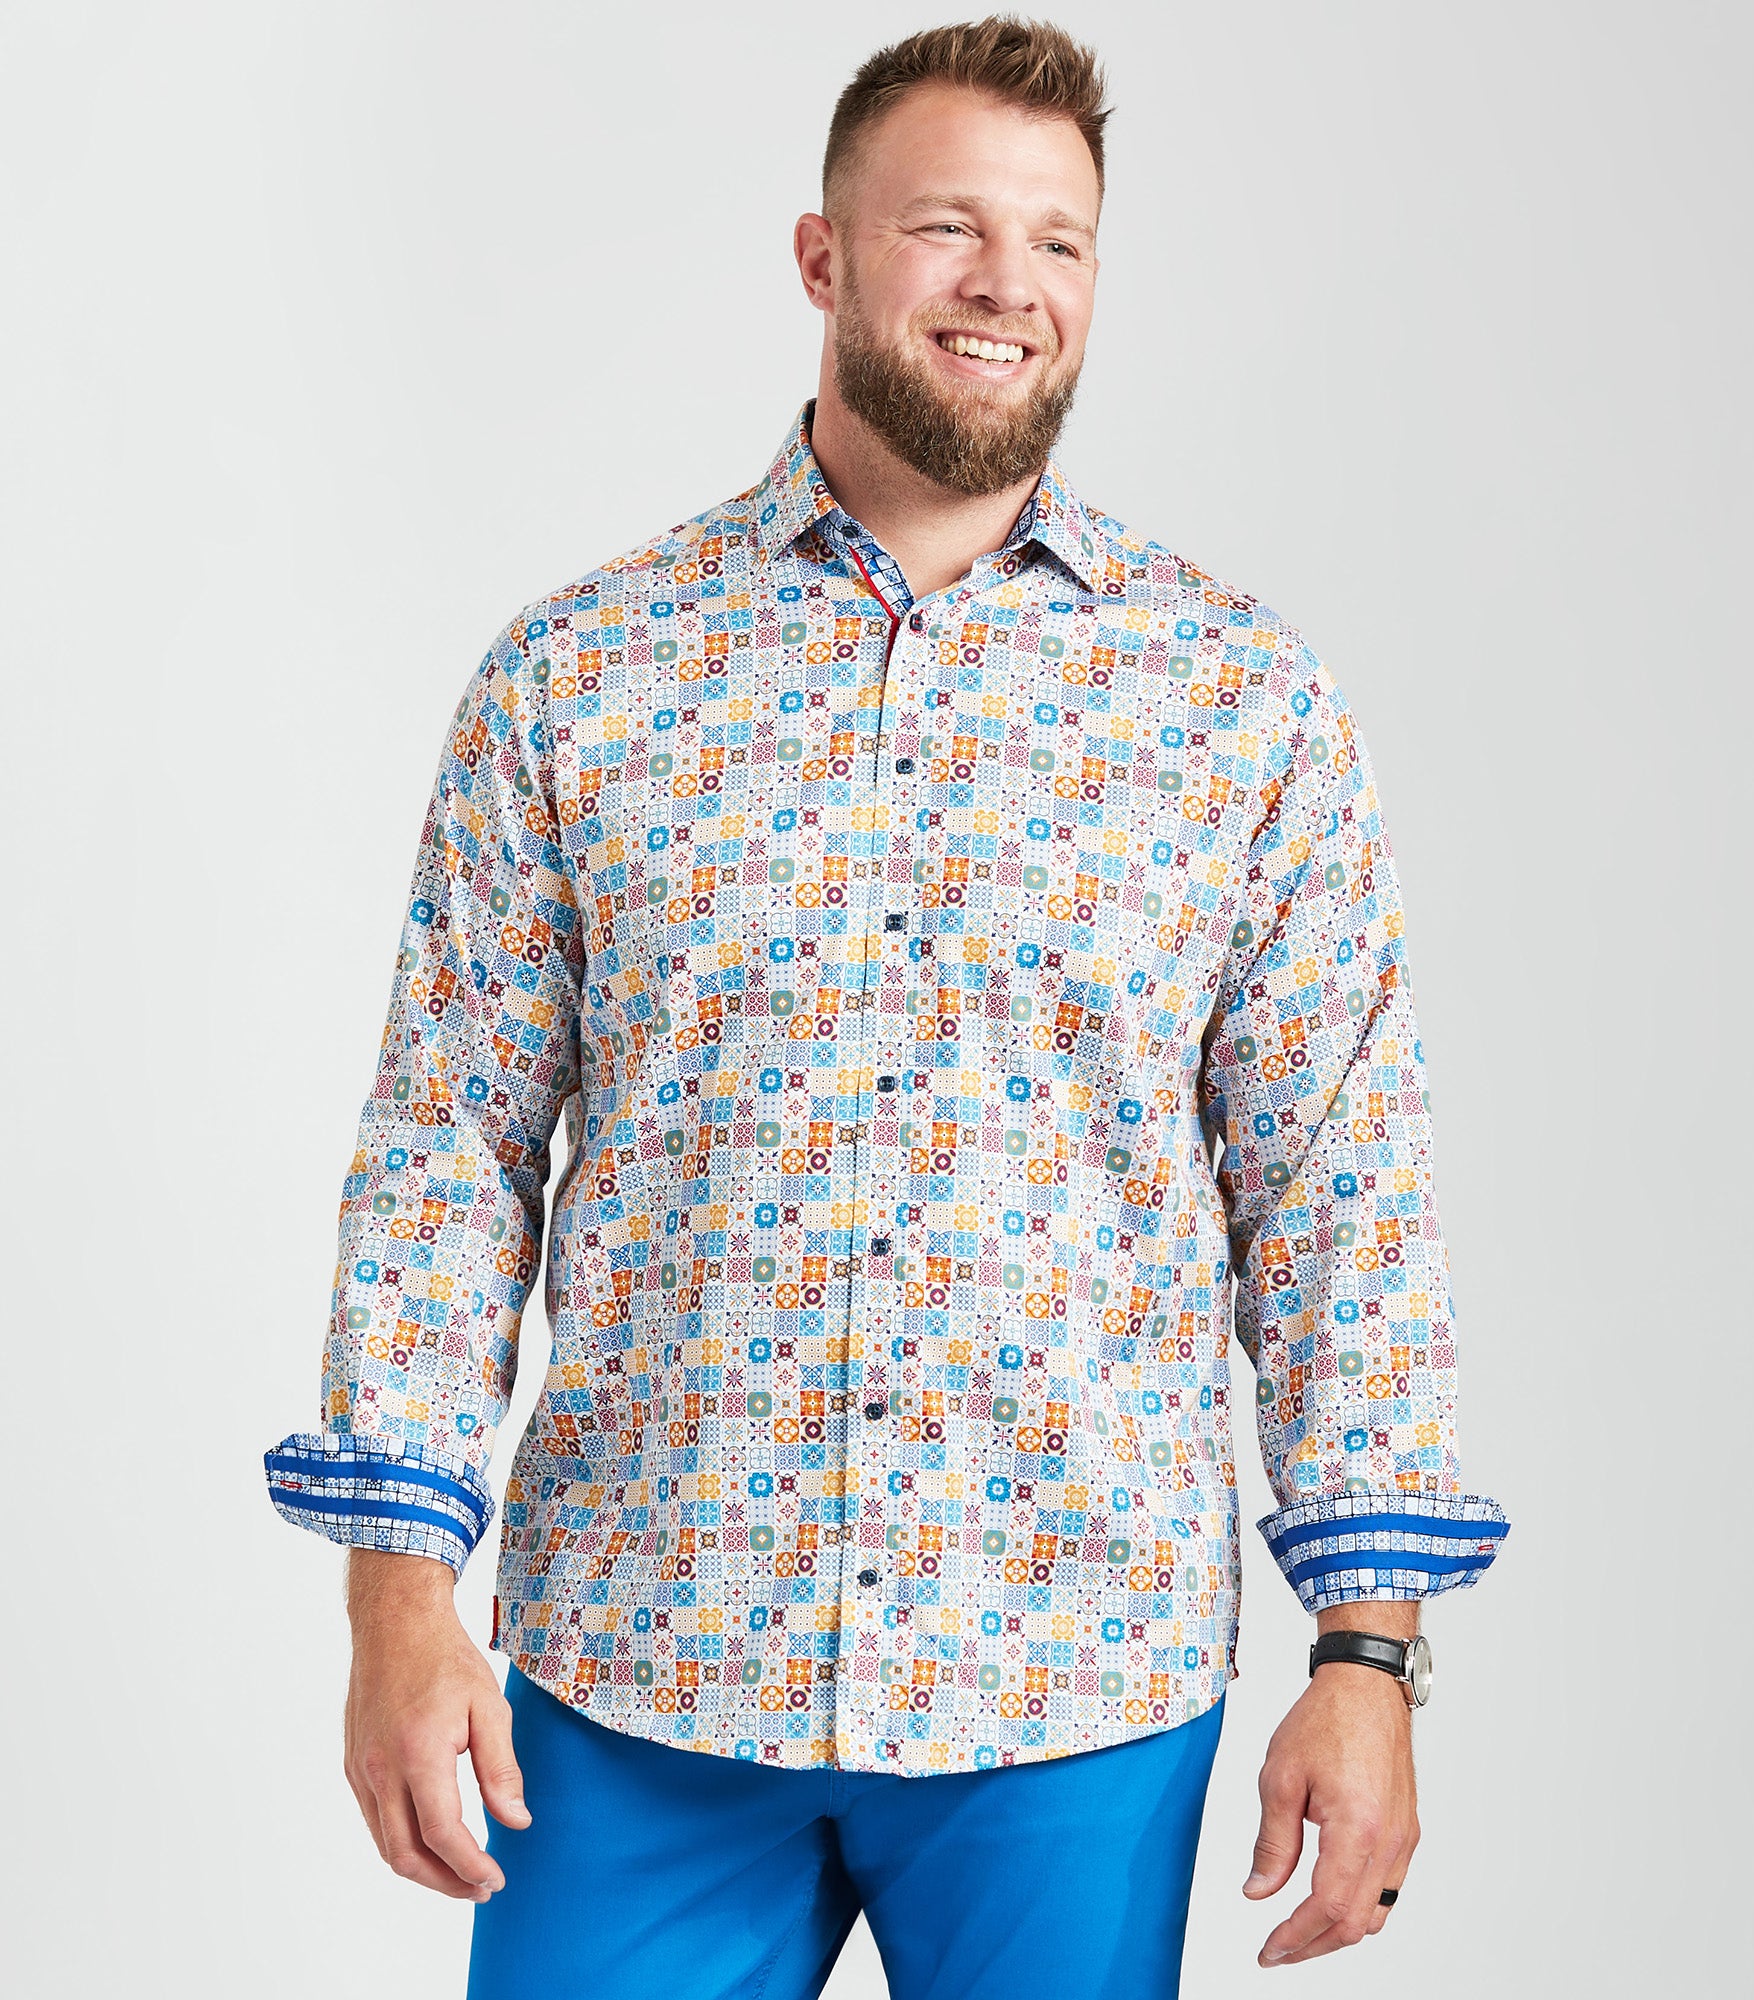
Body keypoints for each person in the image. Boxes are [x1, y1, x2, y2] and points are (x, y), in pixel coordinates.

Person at [262, 16, 1509, 1996]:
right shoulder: (580, 676)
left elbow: (1336, 1194)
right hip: (640, 1659)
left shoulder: (1240, 703)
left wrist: (1370, 1653)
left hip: (1075, 1684)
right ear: (824, 258)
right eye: (949, 227)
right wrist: (396, 1608)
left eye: (1060, 241)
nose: (1010, 282)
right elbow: (450, 1150)